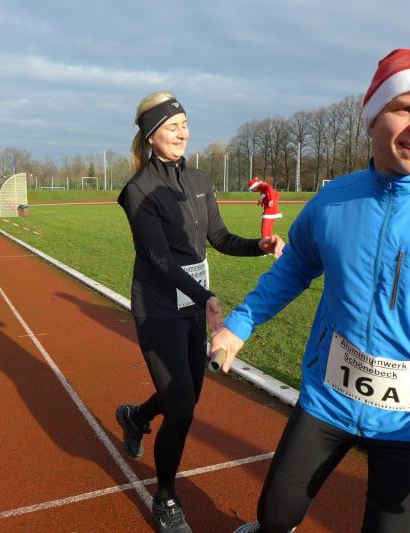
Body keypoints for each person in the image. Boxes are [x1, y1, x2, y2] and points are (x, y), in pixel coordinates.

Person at [212, 49, 410, 533]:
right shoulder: (333, 200)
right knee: (274, 516)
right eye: (405, 108)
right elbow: (295, 266)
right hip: (328, 401)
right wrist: (240, 324)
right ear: (372, 117)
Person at [115, 91, 285, 533]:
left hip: (192, 303)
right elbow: (158, 259)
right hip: (158, 307)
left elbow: (220, 238)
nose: (182, 133)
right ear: (151, 135)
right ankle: (166, 498)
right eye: (172, 127)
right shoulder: (138, 191)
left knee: (187, 397)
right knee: (182, 410)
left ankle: (136, 416)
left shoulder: (199, 180)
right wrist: (204, 295)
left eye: (185, 124)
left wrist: (259, 245)